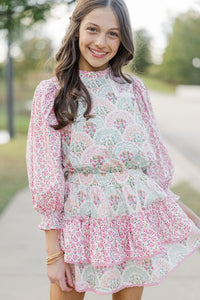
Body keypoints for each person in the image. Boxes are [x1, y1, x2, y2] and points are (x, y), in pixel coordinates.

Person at [26, 0, 200, 299]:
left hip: (134, 220)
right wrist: (53, 254)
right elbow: (46, 174)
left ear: (123, 40)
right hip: (80, 223)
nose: (101, 42)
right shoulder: (51, 92)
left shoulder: (134, 88)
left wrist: (177, 206)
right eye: (93, 29)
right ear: (76, 28)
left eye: (113, 34)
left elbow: (151, 164)